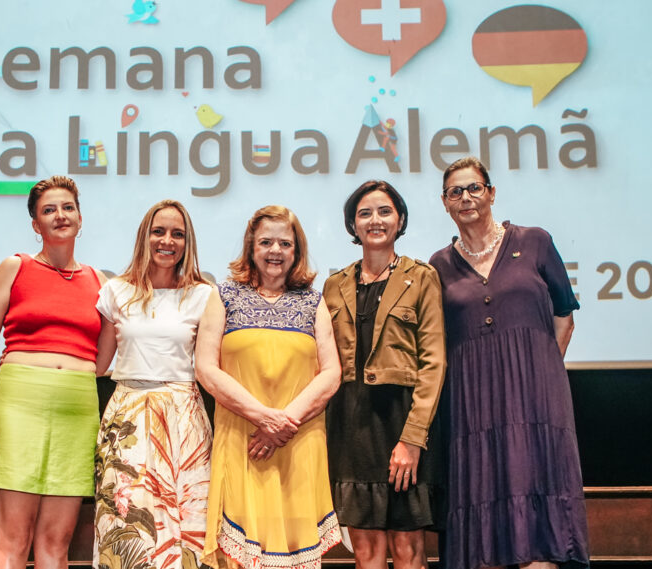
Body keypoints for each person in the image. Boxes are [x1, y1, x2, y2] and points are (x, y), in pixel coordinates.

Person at [428, 157, 589, 569]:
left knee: (540, 527)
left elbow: (564, 319)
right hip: (472, 409)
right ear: (445, 203)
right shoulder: (438, 266)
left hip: (536, 403)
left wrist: (540, 375)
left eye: (474, 188)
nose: (466, 197)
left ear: (492, 192)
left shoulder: (535, 241)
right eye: (455, 192)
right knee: (484, 521)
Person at [0, 175, 108, 569]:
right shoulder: (15, 267)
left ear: (80, 218)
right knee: (14, 539)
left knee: (55, 542)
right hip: (19, 406)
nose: (60, 216)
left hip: (76, 413)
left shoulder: (101, 282)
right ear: (36, 225)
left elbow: (103, 357)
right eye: (49, 210)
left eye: (68, 208)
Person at [196, 205, 342, 569]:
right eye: (266, 242)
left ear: (297, 250)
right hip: (243, 443)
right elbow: (206, 368)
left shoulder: (313, 300)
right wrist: (263, 417)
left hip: (299, 443)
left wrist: (283, 423)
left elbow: (330, 373)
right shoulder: (224, 295)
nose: (275, 251)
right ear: (251, 248)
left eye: (285, 243)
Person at [322, 180, 447, 569]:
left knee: (409, 553)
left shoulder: (422, 277)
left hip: (401, 425)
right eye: (365, 213)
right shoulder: (333, 285)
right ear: (352, 225)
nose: (375, 220)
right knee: (366, 554)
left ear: (400, 220)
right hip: (351, 429)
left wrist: (412, 440)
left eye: (384, 211)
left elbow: (434, 362)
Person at [93, 200, 214, 569]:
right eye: (158, 231)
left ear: (187, 242)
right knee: (125, 521)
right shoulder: (116, 291)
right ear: (145, 236)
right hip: (127, 417)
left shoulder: (204, 294)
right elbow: (98, 364)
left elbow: (212, 364)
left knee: (188, 525)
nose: (167, 241)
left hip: (183, 418)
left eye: (177, 234)